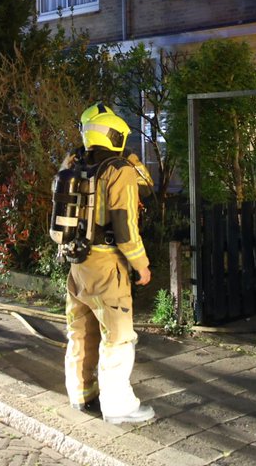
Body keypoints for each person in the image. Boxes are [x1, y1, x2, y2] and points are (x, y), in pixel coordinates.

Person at [62, 102, 155, 425]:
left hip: (77, 264)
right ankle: (119, 406)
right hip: (106, 265)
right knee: (118, 335)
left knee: (80, 331)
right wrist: (141, 265)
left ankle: (82, 394)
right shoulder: (118, 170)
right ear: (115, 133)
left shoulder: (73, 166)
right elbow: (125, 226)